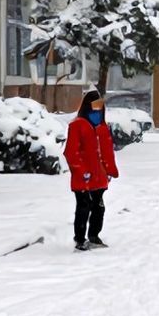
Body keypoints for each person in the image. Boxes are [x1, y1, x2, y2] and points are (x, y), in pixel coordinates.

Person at [64, 90, 119, 252]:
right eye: (94, 107)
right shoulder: (77, 126)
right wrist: (81, 171)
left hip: (99, 177)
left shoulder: (102, 128)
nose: (97, 111)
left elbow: (108, 152)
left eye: (100, 108)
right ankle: (80, 239)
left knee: (98, 207)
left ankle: (94, 236)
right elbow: (71, 152)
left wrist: (109, 171)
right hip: (83, 178)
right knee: (83, 207)